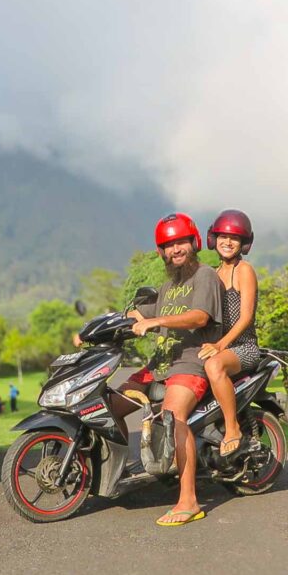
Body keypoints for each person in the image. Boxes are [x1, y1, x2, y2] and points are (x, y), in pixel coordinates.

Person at [119, 212, 224, 526]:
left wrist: (156, 321)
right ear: (161, 252)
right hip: (159, 366)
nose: (176, 249)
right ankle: (121, 469)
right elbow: (136, 314)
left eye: (181, 242)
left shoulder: (205, 276)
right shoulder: (167, 287)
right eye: (169, 245)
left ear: (193, 243)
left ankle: (189, 501)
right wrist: (92, 328)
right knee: (109, 405)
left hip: (190, 364)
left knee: (173, 418)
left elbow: (200, 317)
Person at [199, 209, 260, 459]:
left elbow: (246, 317)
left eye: (234, 238)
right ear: (213, 239)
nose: (227, 242)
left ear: (243, 243)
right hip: (219, 346)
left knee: (214, 367)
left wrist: (221, 345)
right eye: (223, 236)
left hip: (243, 347)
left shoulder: (243, 270)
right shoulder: (211, 274)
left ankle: (232, 428)